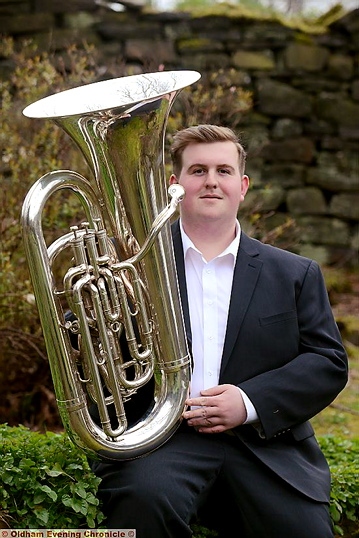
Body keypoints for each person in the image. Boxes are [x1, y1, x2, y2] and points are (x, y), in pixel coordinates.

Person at [92, 124, 348, 538]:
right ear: (175, 185)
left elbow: (328, 363)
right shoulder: (134, 269)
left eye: (224, 171)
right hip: (164, 442)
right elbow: (105, 362)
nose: (211, 181)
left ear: (242, 185)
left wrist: (248, 401)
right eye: (198, 171)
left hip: (265, 446)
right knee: (144, 505)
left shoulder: (294, 273)